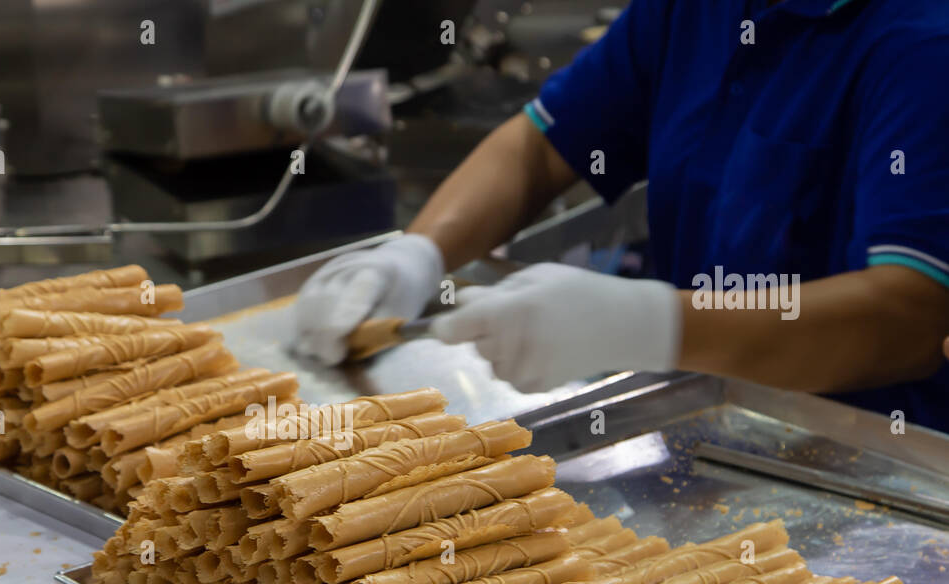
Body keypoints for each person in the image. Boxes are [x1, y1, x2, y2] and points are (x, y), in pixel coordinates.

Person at [293, 0, 949, 431]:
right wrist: (419, 255)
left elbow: (909, 317)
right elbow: (542, 146)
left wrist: (650, 325)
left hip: (880, 466)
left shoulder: (921, 43)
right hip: (711, 423)